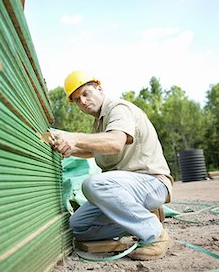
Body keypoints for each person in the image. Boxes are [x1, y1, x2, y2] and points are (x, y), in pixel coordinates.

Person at [50, 70, 174, 260]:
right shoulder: (100, 123)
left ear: (99, 89)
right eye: (76, 100)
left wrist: (74, 137)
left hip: (151, 183)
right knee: (79, 226)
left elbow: (115, 142)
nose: (82, 101)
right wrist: (71, 148)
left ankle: (155, 234)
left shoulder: (118, 109)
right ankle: (145, 215)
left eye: (85, 93)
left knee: (94, 184)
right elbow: (94, 150)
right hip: (126, 190)